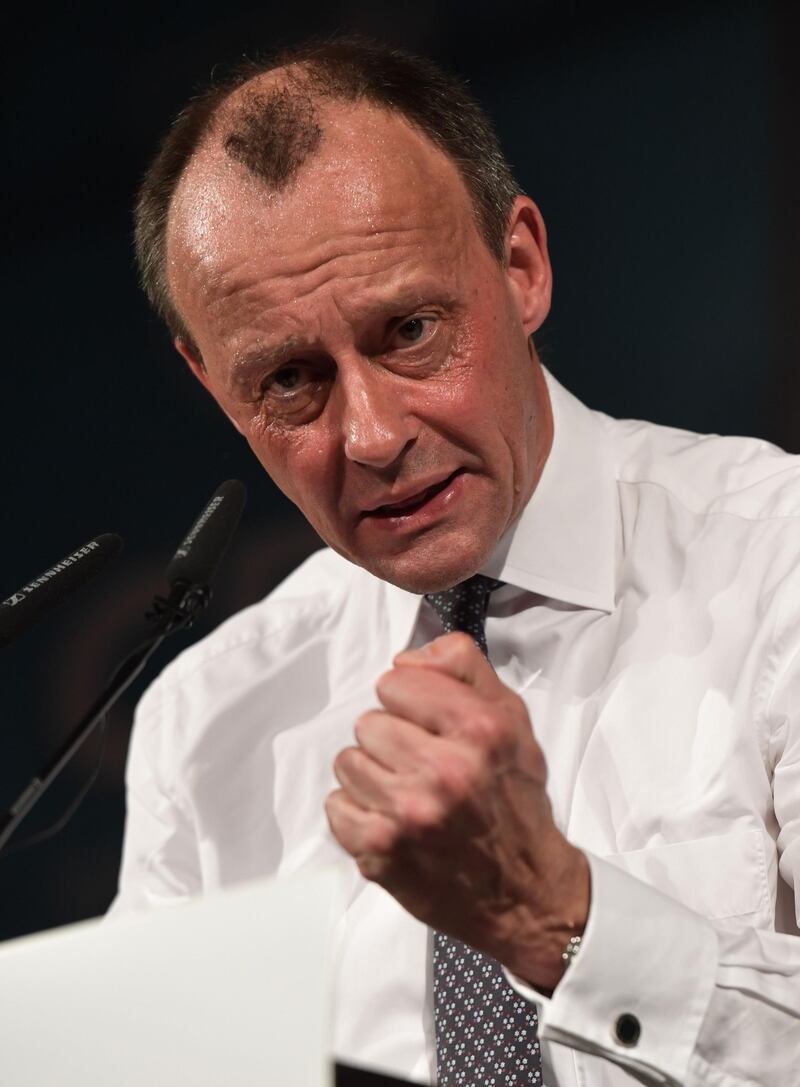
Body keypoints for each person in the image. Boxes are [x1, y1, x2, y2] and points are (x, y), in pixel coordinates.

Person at [110, 36, 800, 1087]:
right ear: (212, 386)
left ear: (519, 265)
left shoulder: (773, 556)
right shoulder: (206, 722)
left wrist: (554, 916)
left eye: (411, 329)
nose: (372, 435)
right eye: (290, 381)